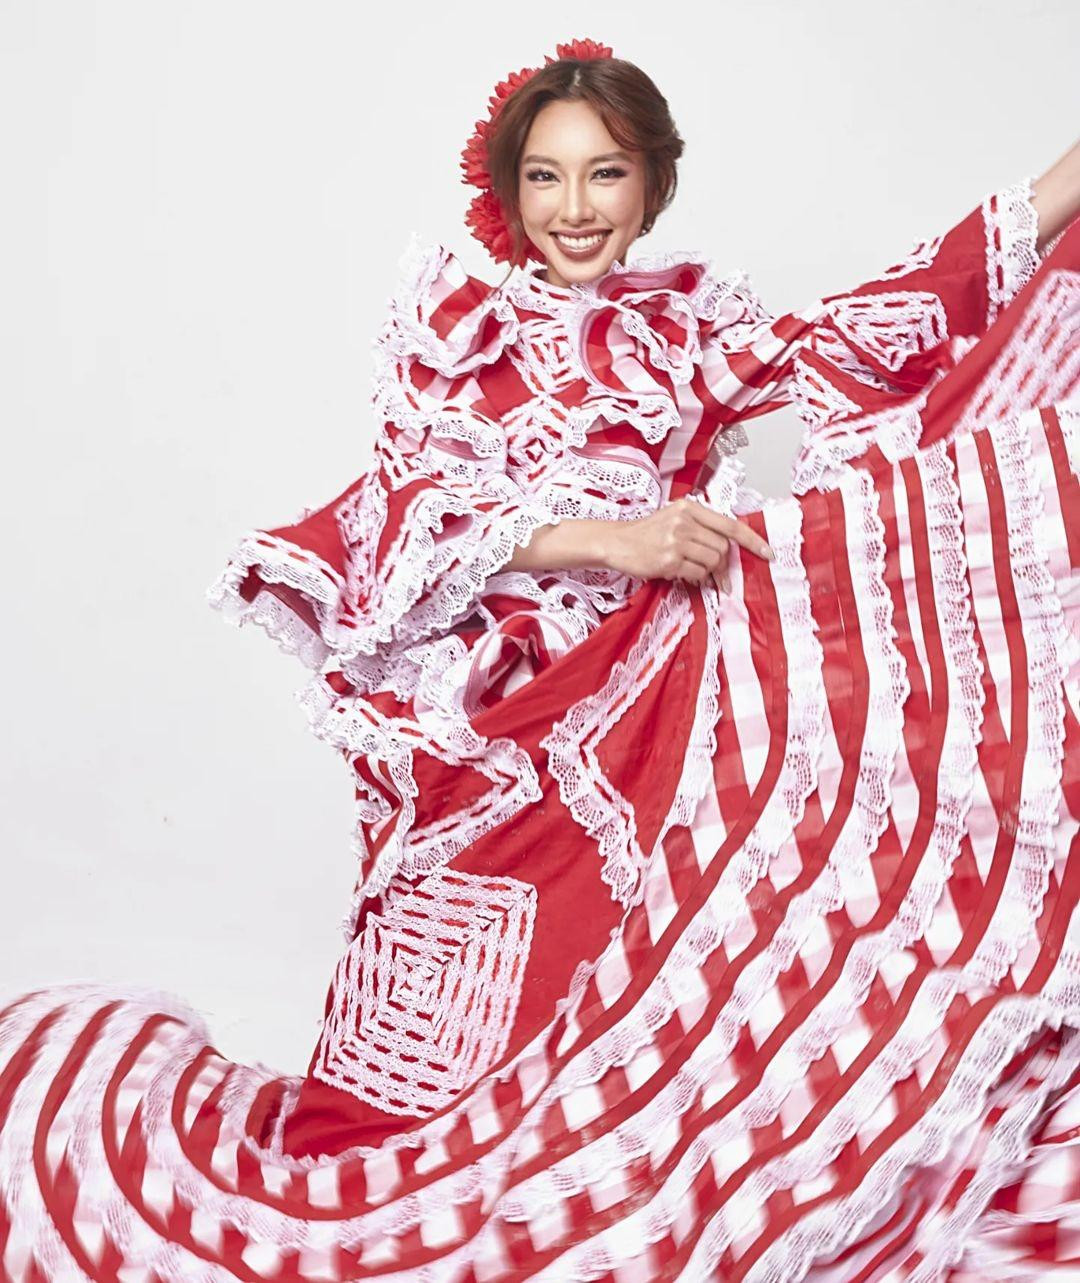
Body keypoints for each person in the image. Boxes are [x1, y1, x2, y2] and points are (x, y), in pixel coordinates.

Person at [2, 36, 1079, 1282]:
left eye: (605, 174)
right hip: (489, 721)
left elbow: (865, 330)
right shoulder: (459, 330)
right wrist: (618, 537)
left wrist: (1059, 188)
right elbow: (406, 512)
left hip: (651, 705)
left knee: (852, 627)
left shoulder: (684, 331)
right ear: (508, 190)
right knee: (405, 1099)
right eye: (547, 176)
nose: (575, 208)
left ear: (652, 185)